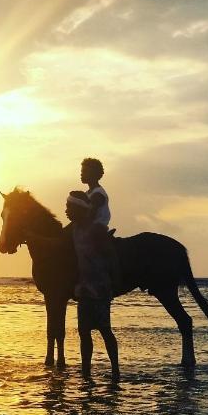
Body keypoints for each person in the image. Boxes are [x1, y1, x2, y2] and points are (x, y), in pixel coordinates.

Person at [66, 190, 119, 381]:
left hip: (100, 290)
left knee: (105, 331)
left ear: (79, 209)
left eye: (69, 207)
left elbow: (111, 257)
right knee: (84, 333)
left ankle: (115, 371)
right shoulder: (75, 230)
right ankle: (86, 373)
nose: (66, 211)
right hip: (84, 290)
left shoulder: (96, 230)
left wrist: (111, 283)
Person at [80, 156, 121, 293]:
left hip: (97, 229)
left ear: (94, 174)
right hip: (88, 228)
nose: (81, 173)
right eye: (82, 170)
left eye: (85, 171)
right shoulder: (87, 193)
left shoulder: (98, 194)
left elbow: (89, 216)